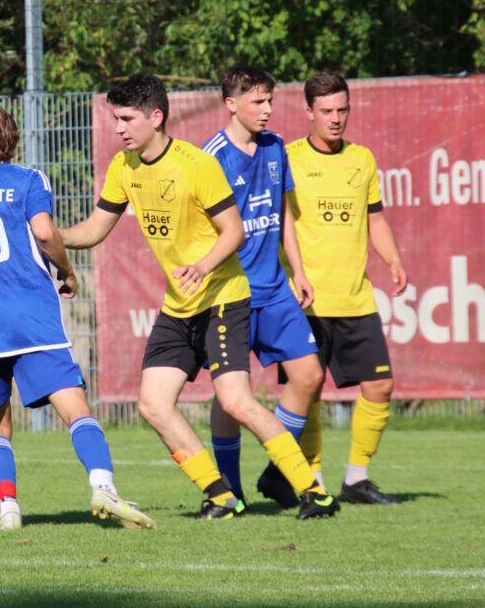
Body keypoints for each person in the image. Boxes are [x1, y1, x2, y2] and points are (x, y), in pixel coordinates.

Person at [61, 73, 338, 520]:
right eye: (116, 119)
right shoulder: (123, 167)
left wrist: (202, 266)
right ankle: (221, 494)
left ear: (156, 117)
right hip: (179, 305)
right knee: (152, 404)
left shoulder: (196, 165)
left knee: (235, 401)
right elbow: (95, 229)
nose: (119, 128)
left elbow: (235, 231)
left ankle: (313, 490)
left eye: (128, 119)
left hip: (223, 297)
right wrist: (50, 237)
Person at [0, 103, 155, 531]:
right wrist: (67, 271)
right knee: (74, 407)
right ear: (12, 137)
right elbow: (43, 231)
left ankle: (8, 509)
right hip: (31, 316)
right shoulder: (29, 179)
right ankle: (103, 487)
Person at [200, 66, 325, 510]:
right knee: (230, 398)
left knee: (309, 375)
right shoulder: (212, 157)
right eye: (257, 101)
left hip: (275, 290)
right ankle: (230, 489)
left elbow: (282, 212)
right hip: (230, 293)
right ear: (231, 104)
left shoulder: (275, 147)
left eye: (270, 100)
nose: (268, 109)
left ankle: (277, 471)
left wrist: (298, 271)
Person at [284, 71, 408, 504]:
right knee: (308, 390)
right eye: (326, 111)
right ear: (309, 112)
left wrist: (393, 259)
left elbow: (376, 218)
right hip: (305, 302)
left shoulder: (362, 159)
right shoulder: (287, 158)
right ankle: (313, 482)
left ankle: (356, 480)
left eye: (342, 110)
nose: (336, 118)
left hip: (356, 298)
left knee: (380, 386)